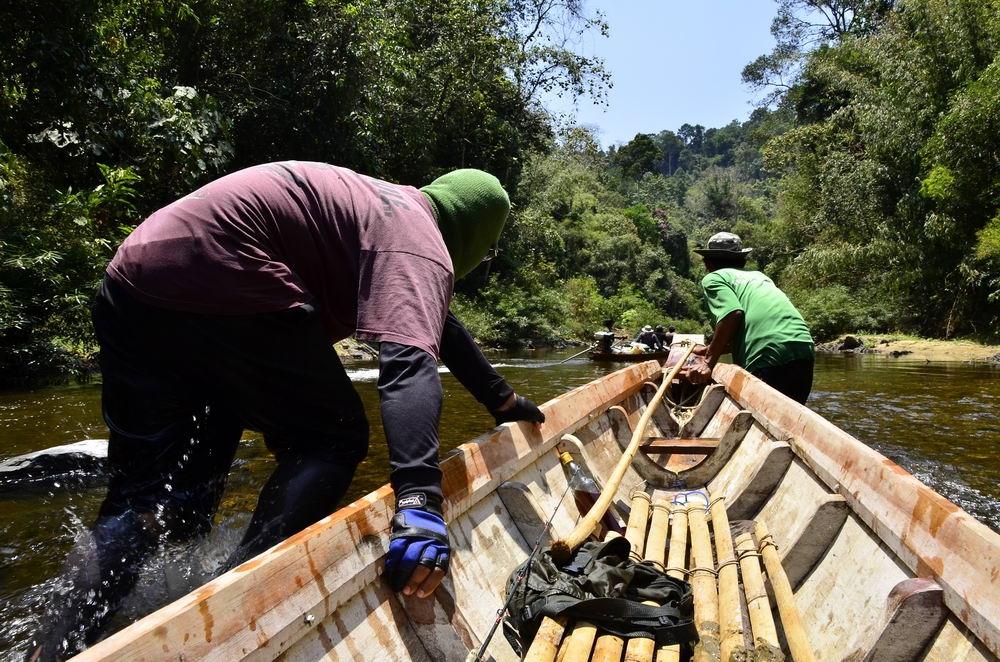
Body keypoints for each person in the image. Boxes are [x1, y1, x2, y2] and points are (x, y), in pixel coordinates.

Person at [30, 162, 545, 658]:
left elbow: (441, 329)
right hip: (227, 273)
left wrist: (502, 400)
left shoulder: (386, 208)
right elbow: (409, 363)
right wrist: (419, 499)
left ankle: (54, 650)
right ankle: (239, 603)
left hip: (133, 283)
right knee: (332, 437)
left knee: (157, 499)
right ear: (476, 236)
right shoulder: (419, 239)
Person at [683, 232, 814, 403]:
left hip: (766, 354)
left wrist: (708, 363)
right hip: (803, 349)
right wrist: (710, 349)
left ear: (708, 263)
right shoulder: (760, 277)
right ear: (742, 260)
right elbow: (748, 327)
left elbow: (732, 314)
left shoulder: (714, 278)